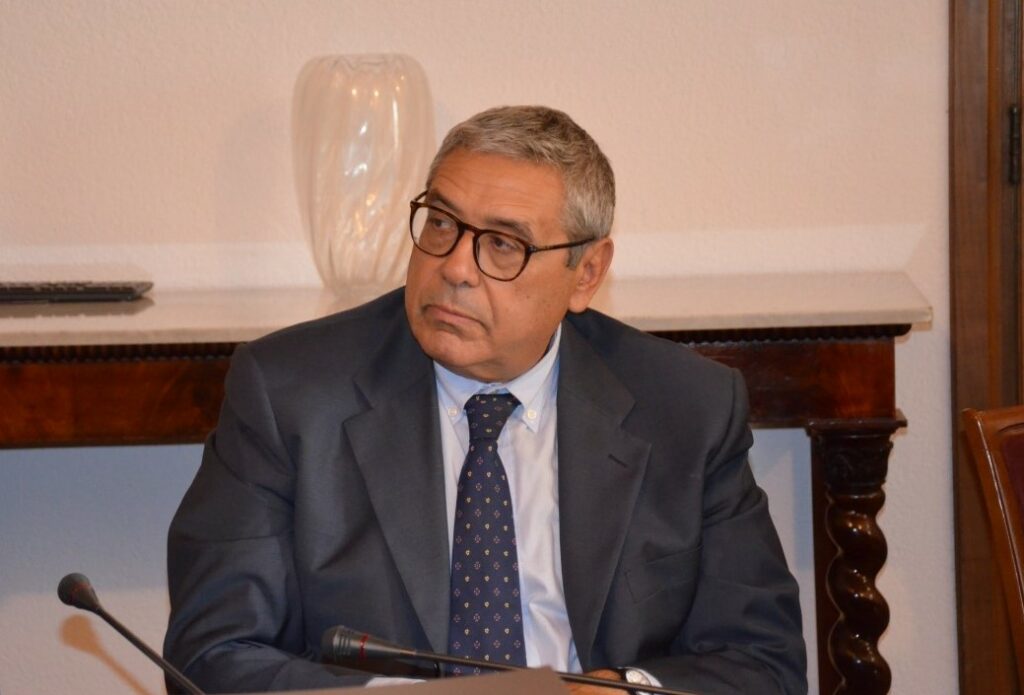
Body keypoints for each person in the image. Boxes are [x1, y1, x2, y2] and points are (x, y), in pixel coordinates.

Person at [164, 105, 806, 694]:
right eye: (442, 223)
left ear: (586, 273)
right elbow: (212, 654)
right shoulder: (290, 393)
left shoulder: (687, 408)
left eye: (503, 244)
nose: (455, 267)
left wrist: (618, 691)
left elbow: (762, 663)